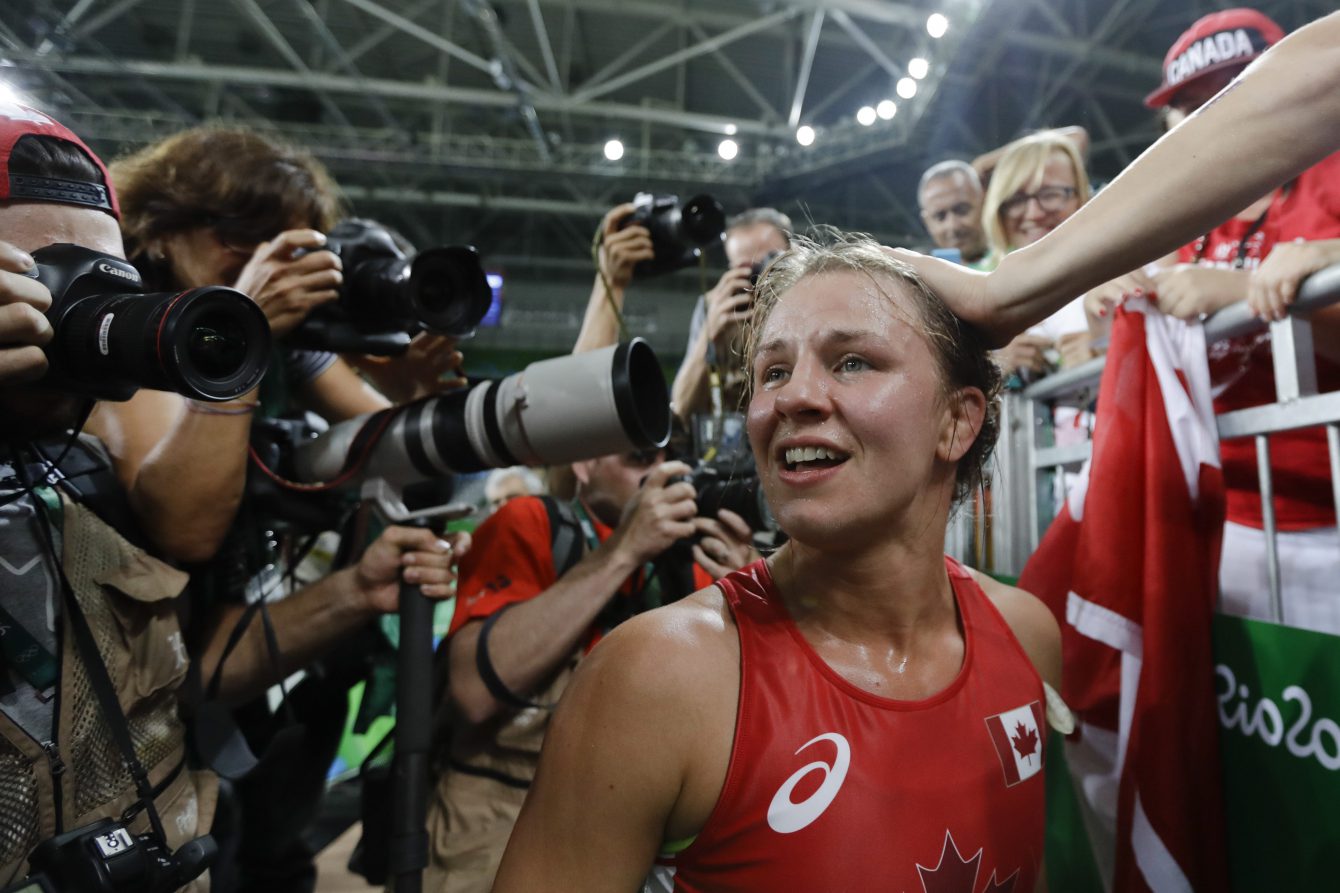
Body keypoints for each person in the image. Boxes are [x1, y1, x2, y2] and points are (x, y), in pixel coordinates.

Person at [493, 235, 1061, 892]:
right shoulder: (659, 675)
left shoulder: (1026, 635)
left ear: (956, 423)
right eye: (772, 371)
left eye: (851, 361)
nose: (793, 398)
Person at [0, 101, 462, 890]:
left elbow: (399, 450)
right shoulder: (122, 326)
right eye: (237, 237)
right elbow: (181, 519)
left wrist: (410, 393)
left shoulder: (272, 335)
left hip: (198, 709)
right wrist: (245, 325)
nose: (258, 261)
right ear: (164, 228)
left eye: (285, 245)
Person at [425, 446, 758, 893]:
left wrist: (752, 593)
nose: (660, 475)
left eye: (669, 459)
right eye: (639, 460)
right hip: (503, 816)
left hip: (652, 825)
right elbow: (474, 690)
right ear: (582, 464)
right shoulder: (531, 522)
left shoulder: (688, 554)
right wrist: (625, 548)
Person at [894, 10, 1340, 340]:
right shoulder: (1169, 222)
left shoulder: (1329, 175)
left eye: (1237, 86)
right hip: (1210, 462)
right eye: (1192, 107)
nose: (1221, 114)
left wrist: (1257, 287)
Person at [980, 132, 1096, 379]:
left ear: (1080, 198)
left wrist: (1110, 345)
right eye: (1017, 199)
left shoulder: (1118, 266)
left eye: (1050, 194)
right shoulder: (976, 289)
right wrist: (990, 365)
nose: (1033, 213)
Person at [671, 208, 791, 423]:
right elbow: (681, 408)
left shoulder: (811, 299)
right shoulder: (716, 306)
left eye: (771, 261)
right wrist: (710, 333)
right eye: (747, 268)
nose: (761, 276)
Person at [917, 159, 989, 269]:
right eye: (940, 216)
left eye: (962, 210)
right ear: (927, 223)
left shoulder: (1017, 256)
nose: (953, 225)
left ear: (985, 205)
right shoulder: (921, 279)